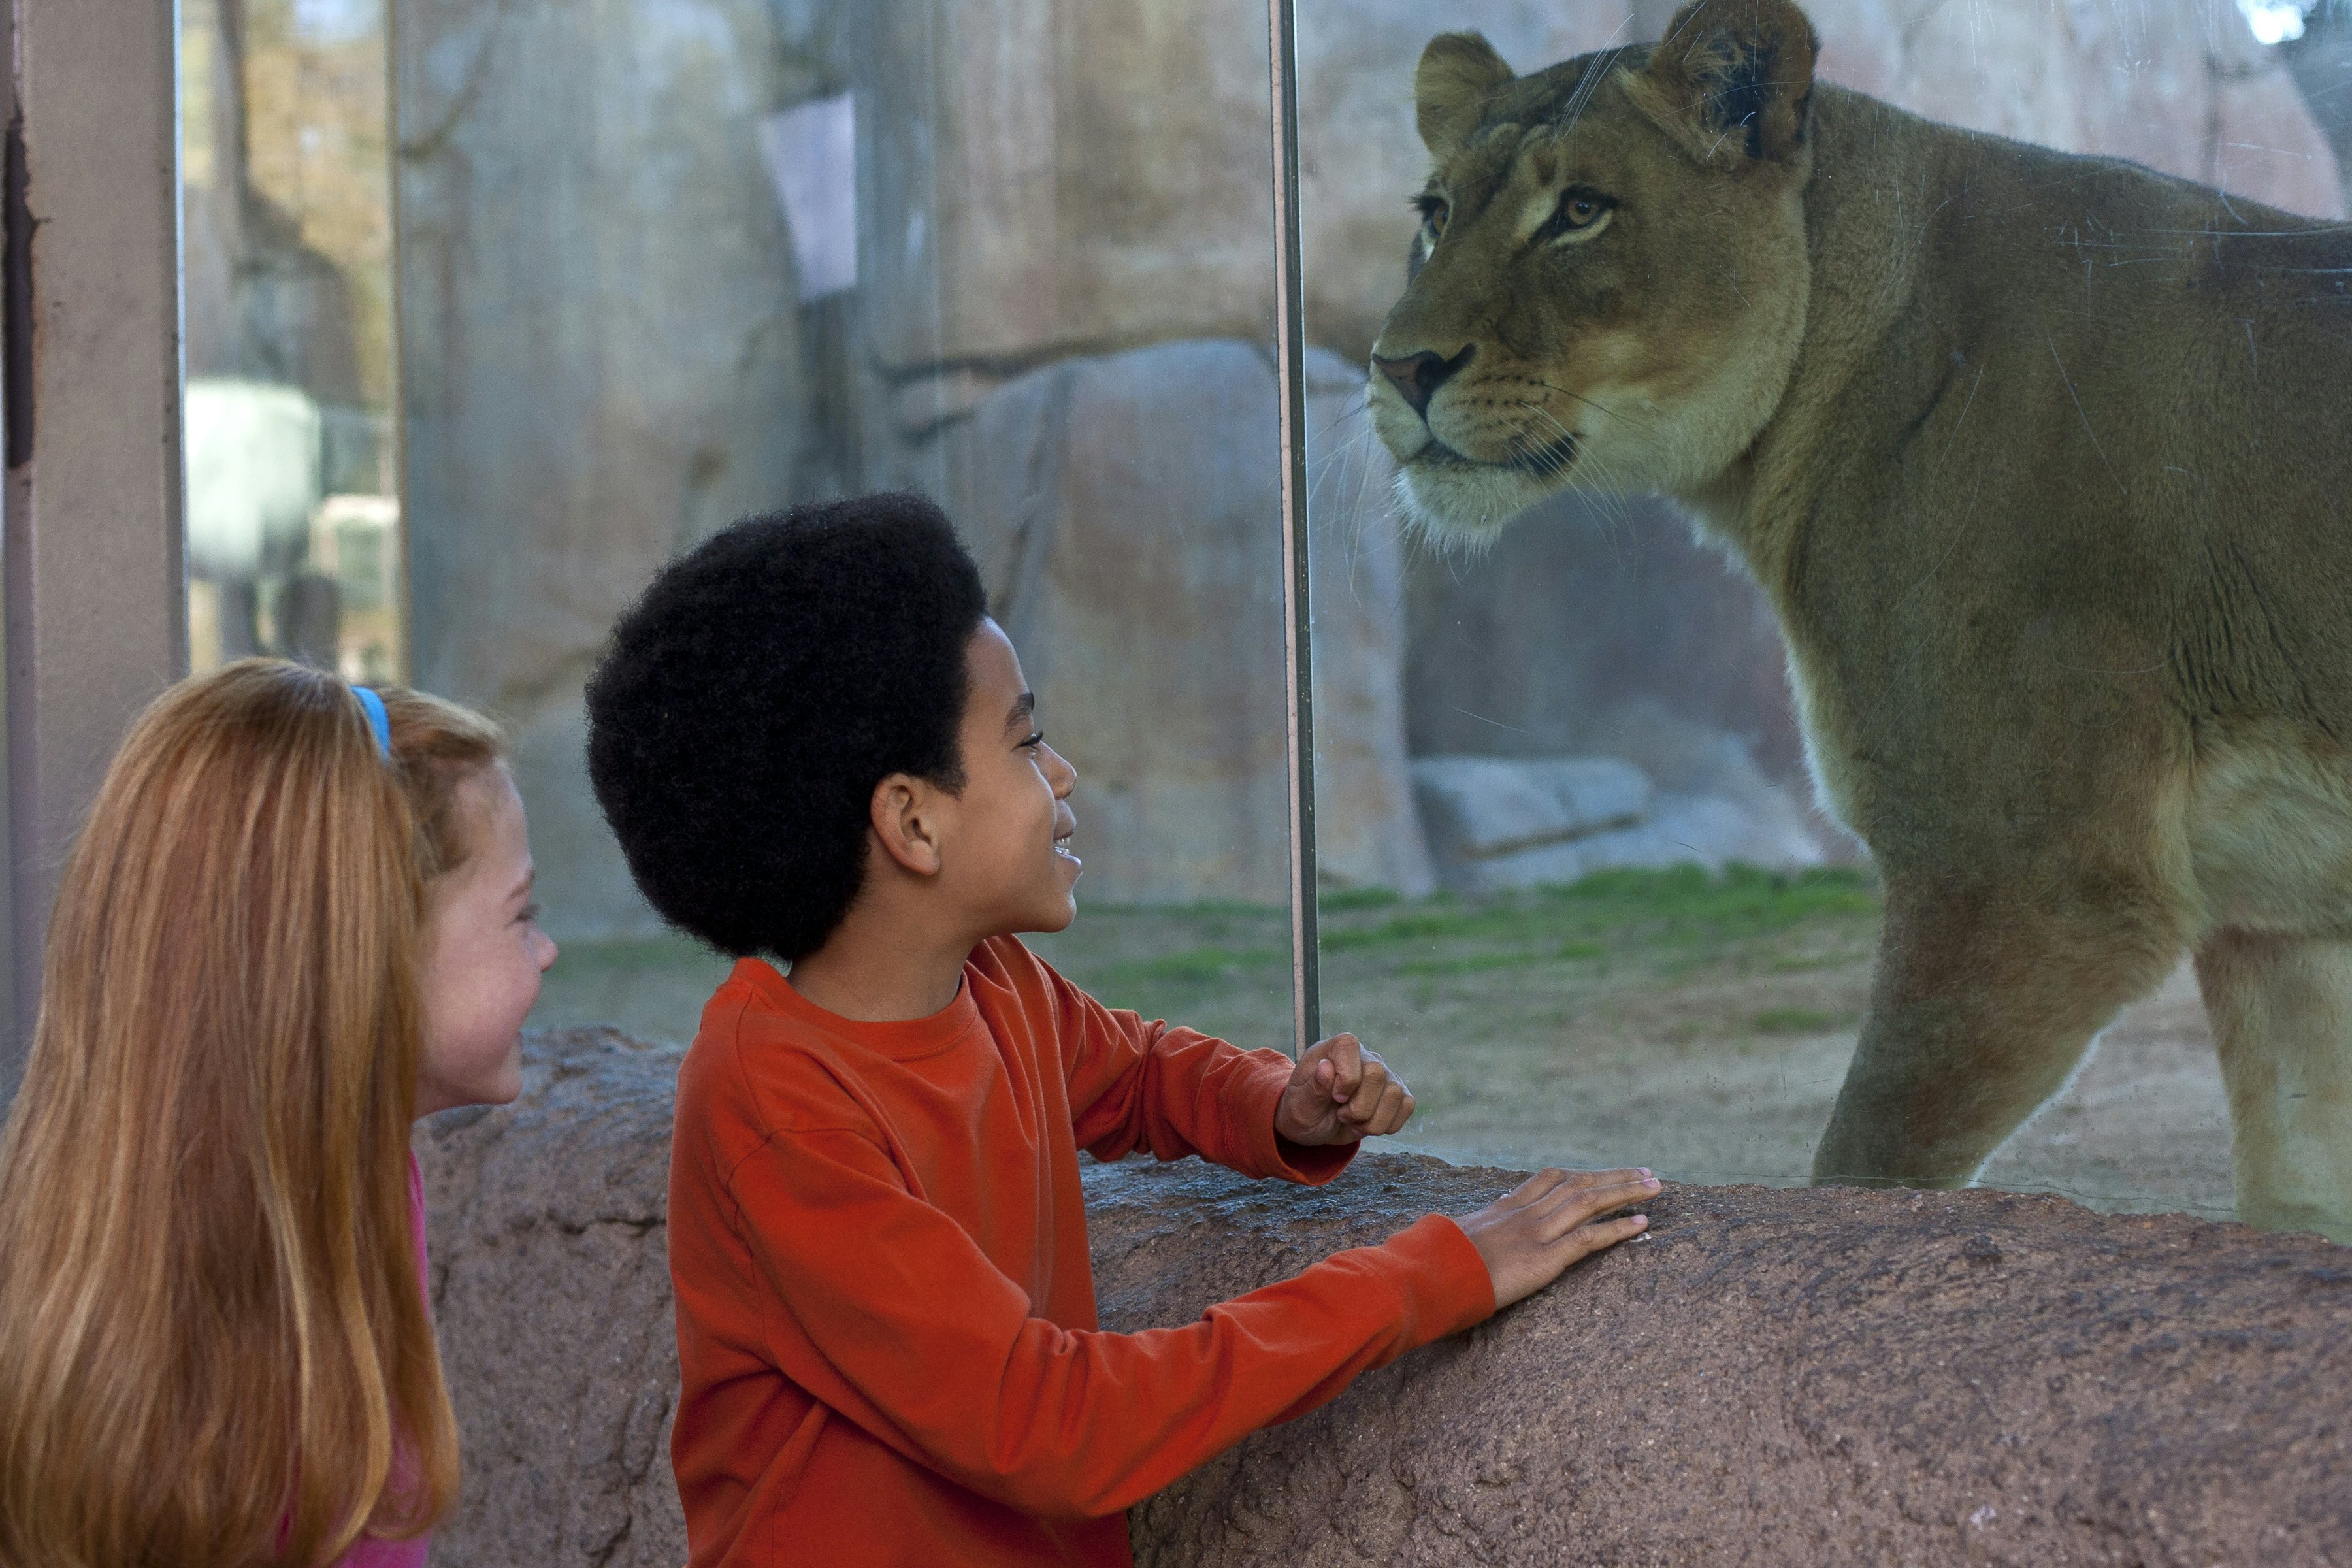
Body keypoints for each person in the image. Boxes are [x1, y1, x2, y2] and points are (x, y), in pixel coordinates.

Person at [583, 492, 1658, 1568]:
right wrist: (1433, 1274)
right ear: (913, 821)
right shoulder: (777, 1103)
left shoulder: (994, 983)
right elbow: (1052, 1424)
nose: (1063, 772)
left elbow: (1135, 1073)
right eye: (1026, 740)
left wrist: (1278, 1105)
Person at [0, 659, 559, 1568]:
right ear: (371, 951)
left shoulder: (365, 1182)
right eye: (520, 912)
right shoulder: (210, 1375)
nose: (547, 949)